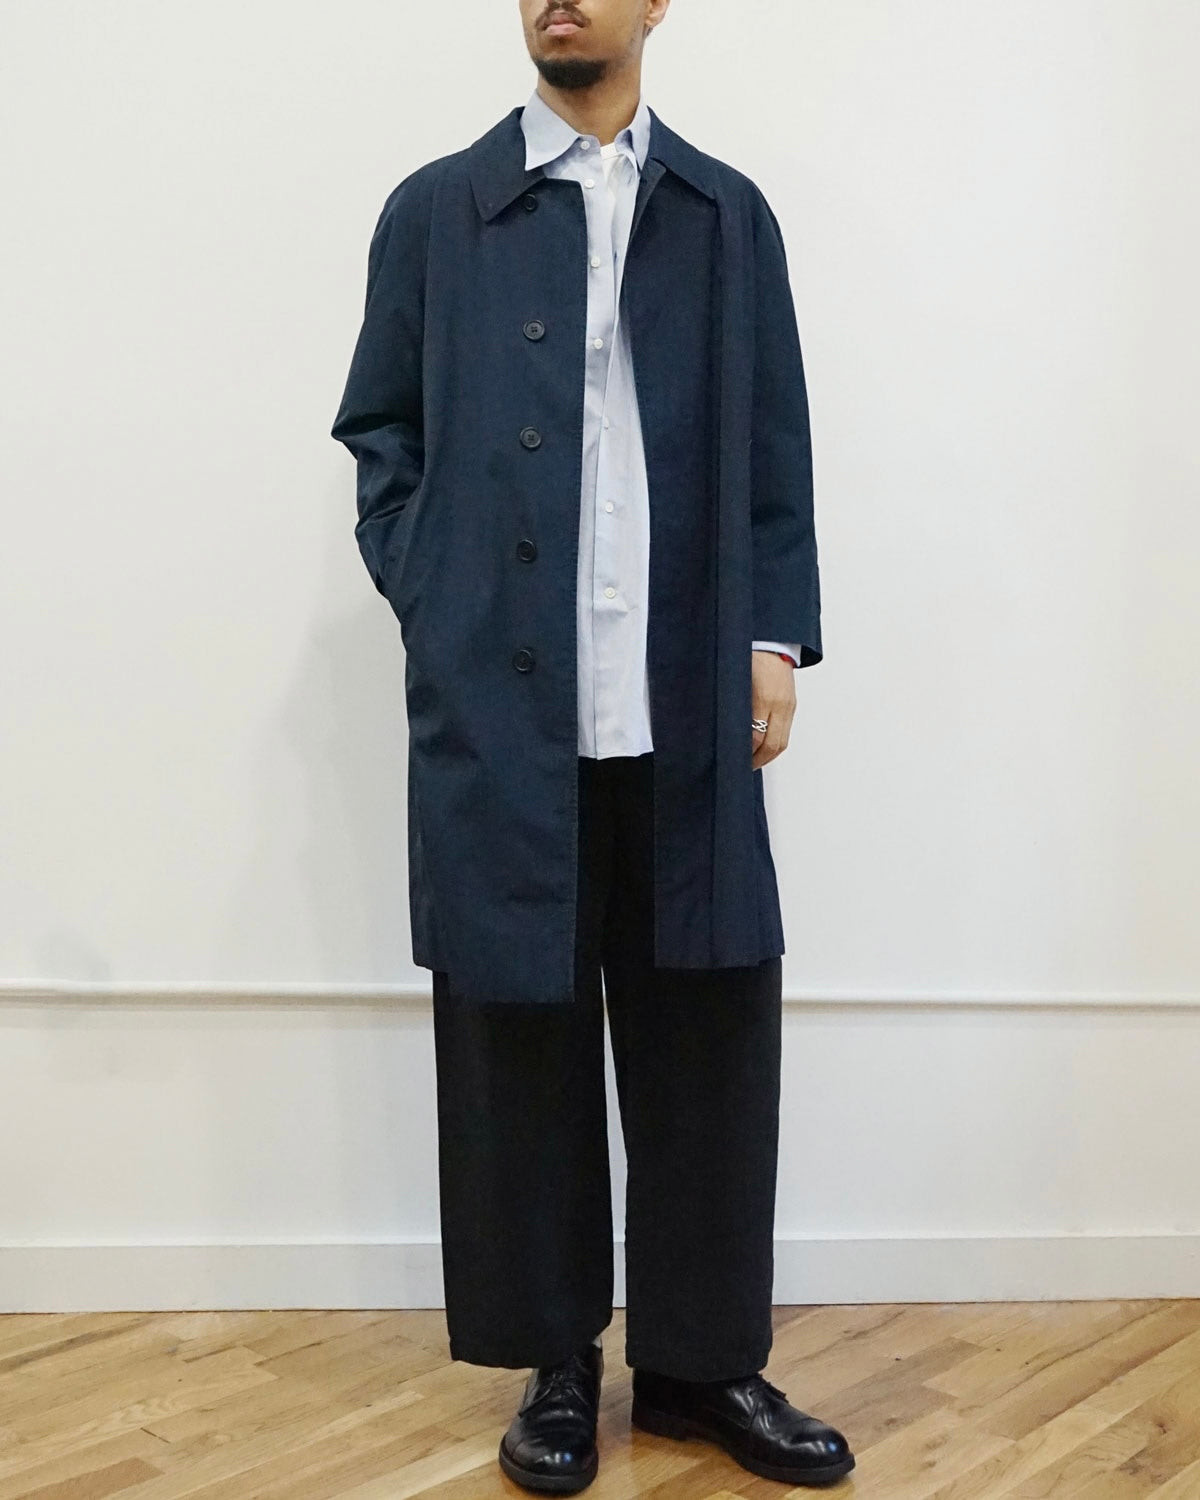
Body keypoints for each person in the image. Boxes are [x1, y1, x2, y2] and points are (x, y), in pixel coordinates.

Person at [331, 0, 854, 1489]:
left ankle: (701, 1364)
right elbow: (381, 434)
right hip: (506, 705)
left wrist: (771, 635)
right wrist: (432, 588)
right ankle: (554, 1363)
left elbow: (776, 443)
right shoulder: (437, 212)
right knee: (521, 1038)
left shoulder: (725, 215)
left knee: (709, 1034)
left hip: (683, 694)